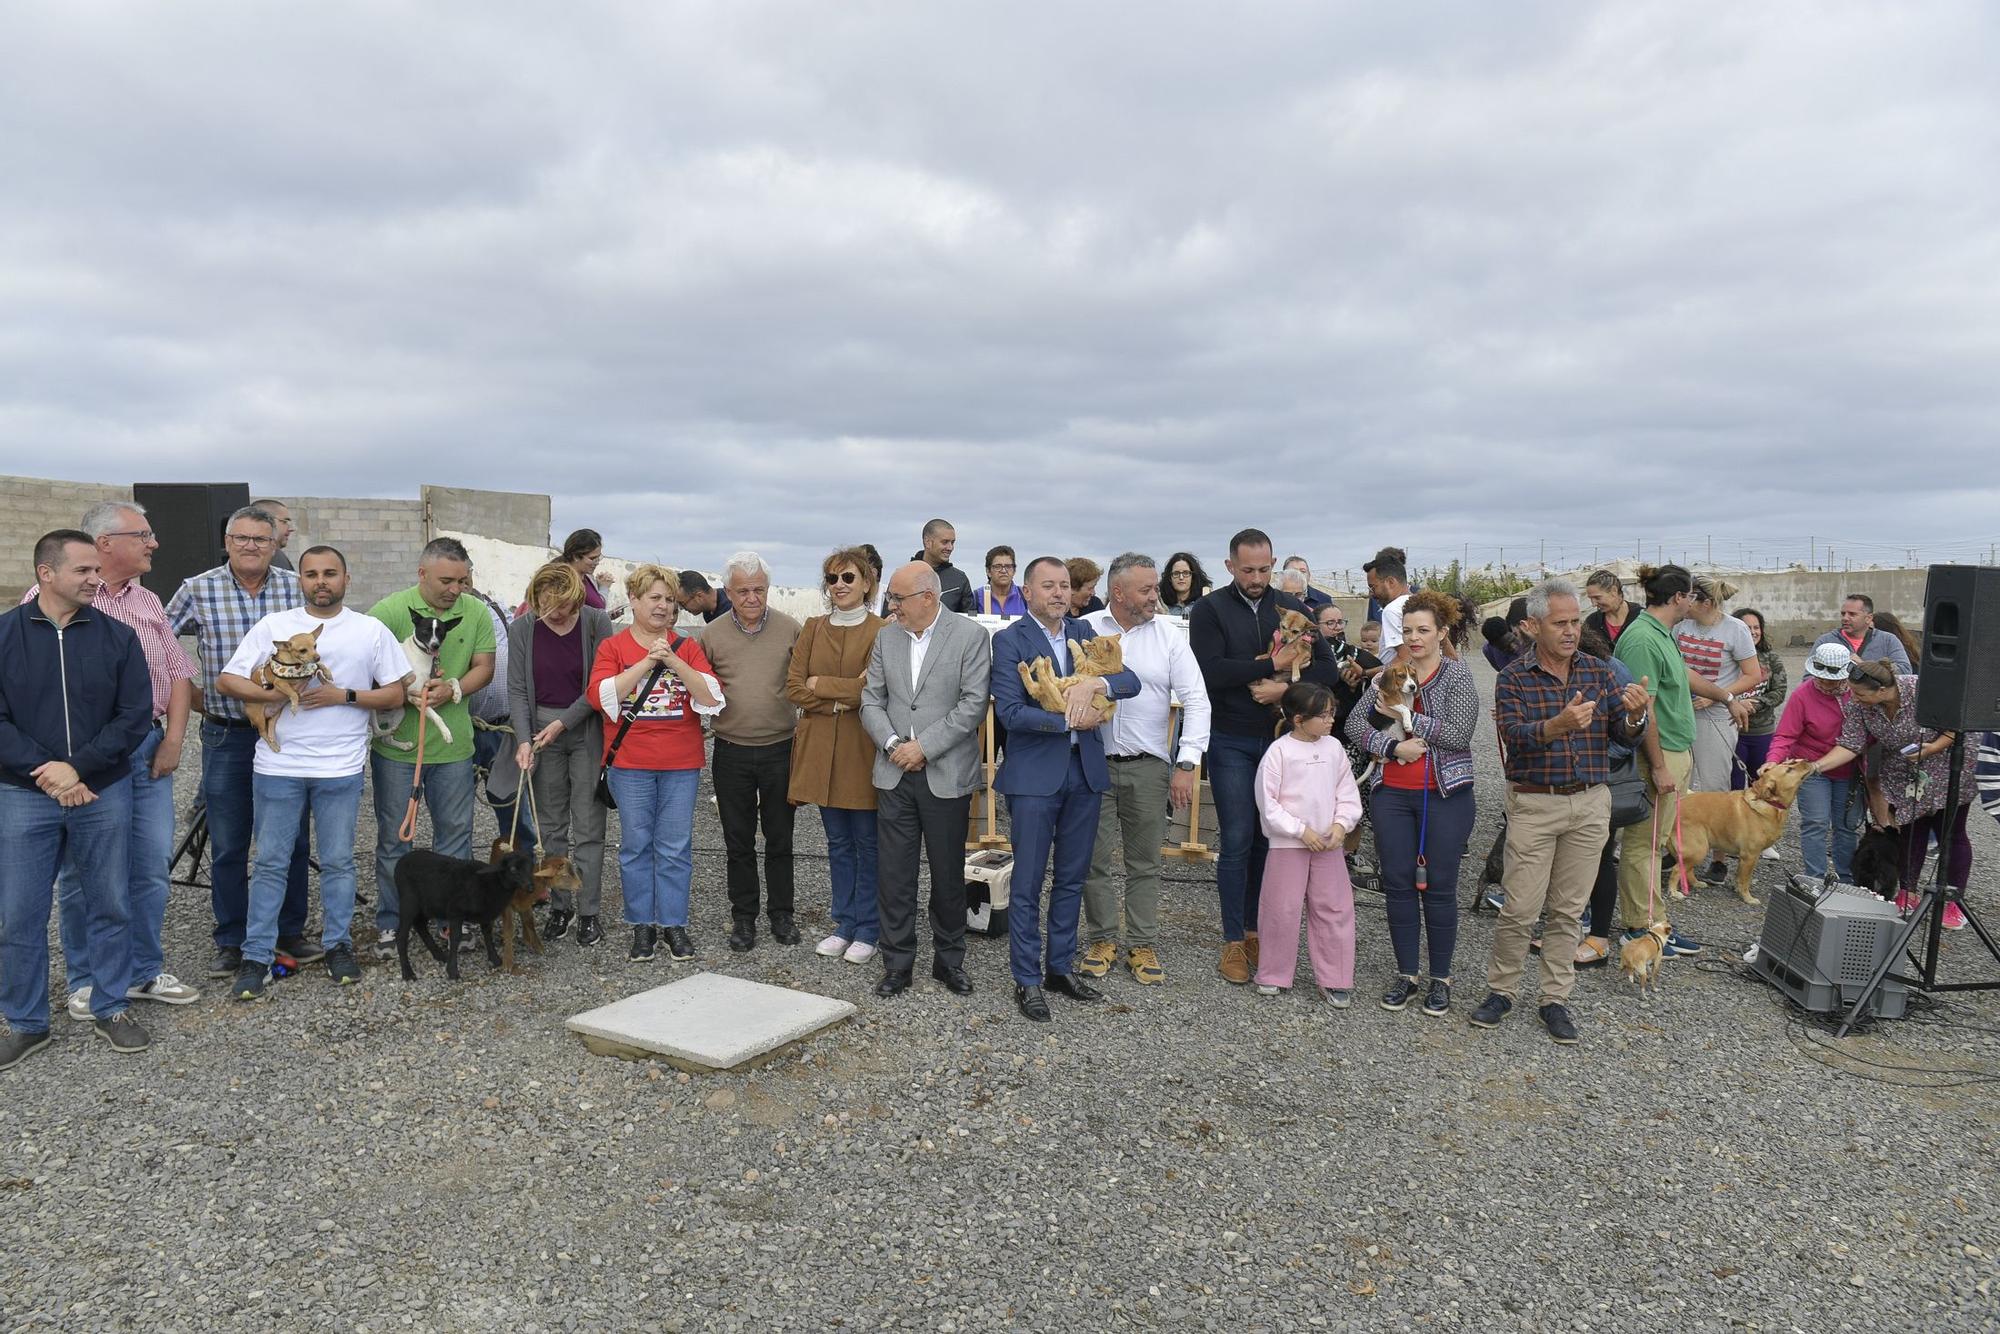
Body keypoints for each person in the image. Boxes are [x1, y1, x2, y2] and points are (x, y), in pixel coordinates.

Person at [21, 503, 198, 1019]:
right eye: (143, 535)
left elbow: (178, 672)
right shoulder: (51, 601)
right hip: (87, 759)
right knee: (85, 872)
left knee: (149, 868)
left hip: (146, 748)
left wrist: (174, 740)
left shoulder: (147, 601)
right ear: (104, 543)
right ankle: (87, 978)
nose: (154, 544)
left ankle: (141, 971)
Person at [216, 546, 413, 998]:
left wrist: (342, 697)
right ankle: (257, 956)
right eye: (311, 574)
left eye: (329, 573)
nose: (320, 581)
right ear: (299, 580)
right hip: (278, 766)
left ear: (346, 578)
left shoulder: (370, 630)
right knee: (269, 863)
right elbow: (228, 680)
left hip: (339, 768)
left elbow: (395, 695)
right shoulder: (274, 627)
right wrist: (273, 696)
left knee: (340, 862)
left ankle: (338, 945)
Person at [1469, 579, 1650, 1044]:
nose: (1571, 631)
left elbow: (1621, 736)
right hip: (1534, 803)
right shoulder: (1513, 677)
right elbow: (1513, 735)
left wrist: (1634, 717)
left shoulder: (1600, 671)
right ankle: (1502, 991)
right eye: (1560, 623)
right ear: (1532, 626)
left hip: (1591, 803)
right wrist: (1557, 725)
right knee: (1520, 908)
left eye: (1574, 622)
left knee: (1569, 911)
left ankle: (1555, 999)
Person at [0, 531, 155, 1069]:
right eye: (84, 571)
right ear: (47, 573)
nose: (96, 579)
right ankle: (25, 1022)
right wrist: (50, 774)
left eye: (96, 570)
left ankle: (111, 1006)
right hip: (25, 793)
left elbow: (135, 715)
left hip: (102, 789)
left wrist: (79, 768)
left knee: (109, 901)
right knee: (19, 912)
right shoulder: (4, 636)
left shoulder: (119, 637)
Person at [1191, 528, 1347, 984]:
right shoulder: (1209, 609)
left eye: (1264, 569)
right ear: (1229, 566)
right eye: (1247, 570)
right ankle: (1233, 941)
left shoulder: (1295, 608)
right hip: (1232, 740)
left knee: (1269, 840)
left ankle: (1259, 930)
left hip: (1284, 744)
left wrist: (1284, 690)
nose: (1257, 578)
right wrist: (1272, 666)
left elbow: (1328, 670)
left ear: (1273, 563)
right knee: (1237, 838)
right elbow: (1211, 671)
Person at [166, 505, 313, 980]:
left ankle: (289, 932)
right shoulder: (197, 589)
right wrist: (193, 698)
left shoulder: (296, 589)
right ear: (227, 542)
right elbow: (159, 649)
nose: (251, 546)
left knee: (290, 838)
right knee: (229, 843)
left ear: (275, 545)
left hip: (288, 735)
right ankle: (232, 939)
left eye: (261, 539)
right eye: (242, 538)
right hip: (226, 734)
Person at [991, 558, 1141, 1021]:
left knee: (1072, 878)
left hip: (1085, 775)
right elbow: (1011, 714)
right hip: (1035, 779)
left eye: (1064, 586)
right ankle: (1027, 978)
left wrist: (1096, 682)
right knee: (1029, 883)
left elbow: (1130, 681)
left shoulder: (1084, 633)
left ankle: (1058, 966)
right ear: (1028, 592)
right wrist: (1070, 718)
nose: (1058, 593)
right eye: (1048, 586)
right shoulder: (1009, 640)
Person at [1077, 554, 1211, 986]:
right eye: (1147, 589)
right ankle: (1101, 938)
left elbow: (1196, 700)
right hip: (1090, 765)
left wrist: (1187, 762)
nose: (1157, 596)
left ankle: (1141, 941)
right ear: (1119, 593)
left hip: (1149, 767)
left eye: (1156, 588)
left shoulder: (1169, 637)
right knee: (1091, 859)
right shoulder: (1086, 630)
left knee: (1145, 861)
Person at [1345, 590, 1480, 1016]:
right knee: (1399, 884)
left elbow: (1458, 734)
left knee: (1439, 887)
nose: (1415, 638)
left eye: (1424, 630)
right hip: (1392, 793)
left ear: (1442, 632)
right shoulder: (1389, 673)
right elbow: (1352, 724)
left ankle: (1441, 978)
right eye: (1407, 631)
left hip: (1446, 794)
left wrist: (1408, 716)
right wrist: (1390, 747)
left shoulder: (1457, 676)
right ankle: (1407, 974)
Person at [860, 561, 991, 998]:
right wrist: (895, 744)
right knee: (894, 876)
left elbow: (972, 704)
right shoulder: (886, 636)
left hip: (945, 776)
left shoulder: (970, 636)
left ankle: (949, 961)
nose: (891, 606)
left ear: (928, 598)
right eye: (891, 598)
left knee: (948, 874)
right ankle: (897, 964)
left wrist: (925, 747)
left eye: (897, 598)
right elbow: (871, 702)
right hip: (894, 773)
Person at [367, 537, 497, 949]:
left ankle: (449, 921)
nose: (455, 589)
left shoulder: (475, 611)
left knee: (455, 837)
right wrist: (398, 692)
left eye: (462, 580)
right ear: (422, 573)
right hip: (397, 749)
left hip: (455, 747)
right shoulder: (389, 611)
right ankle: (392, 919)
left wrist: (453, 688)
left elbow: (485, 667)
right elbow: (362, 664)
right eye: (446, 580)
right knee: (395, 837)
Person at [591, 565, 725, 960]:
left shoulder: (687, 647)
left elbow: (712, 697)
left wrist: (675, 661)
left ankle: (673, 923)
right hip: (630, 763)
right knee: (635, 845)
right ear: (633, 601)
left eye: (669, 599)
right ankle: (641, 925)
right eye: (655, 598)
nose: (664, 606)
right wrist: (647, 663)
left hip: (681, 763)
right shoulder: (613, 649)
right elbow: (600, 697)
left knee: (675, 846)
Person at [1810, 658, 1977, 927]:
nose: (1855, 698)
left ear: (1883, 690)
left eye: (1861, 694)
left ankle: (1952, 901)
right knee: (1910, 829)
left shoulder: (1920, 689)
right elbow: (1851, 744)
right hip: (1906, 770)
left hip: (1948, 764)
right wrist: (1815, 767)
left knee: (1951, 831)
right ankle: (1907, 891)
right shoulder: (1860, 705)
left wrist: (1932, 749)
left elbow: (1957, 725)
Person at [787, 547, 888, 964]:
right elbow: (795, 687)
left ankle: (869, 927)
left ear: (867, 582)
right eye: (832, 579)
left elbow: (877, 690)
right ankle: (843, 922)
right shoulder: (811, 627)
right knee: (836, 842)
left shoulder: (883, 631)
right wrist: (843, 694)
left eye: (848, 577)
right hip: (820, 753)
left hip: (862, 749)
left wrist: (822, 686)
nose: (840, 586)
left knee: (868, 842)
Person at [700, 552, 803, 952]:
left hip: (780, 748)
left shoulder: (791, 629)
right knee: (737, 840)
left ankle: (782, 913)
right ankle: (744, 917)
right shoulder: (711, 635)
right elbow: (699, 688)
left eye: (758, 589)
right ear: (728, 592)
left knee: (781, 837)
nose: (751, 597)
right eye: (743, 591)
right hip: (732, 751)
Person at [509, 562, 615, 942]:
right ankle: (559, 906)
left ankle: (588, 911)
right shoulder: (522, 628)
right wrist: (525, 739)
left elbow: (599, 686)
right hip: (540, 732)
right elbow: (518, 691)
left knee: (589, 827)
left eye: (564, 607)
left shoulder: (595, 622)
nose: (556, 615)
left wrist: (562, 723)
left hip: (584, 727)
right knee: (551, 827)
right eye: (548, 607)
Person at [1612, 564, 1704, 960]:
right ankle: (1643, 926)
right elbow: (1642, 706)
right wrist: (1661, 765)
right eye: (1692, 596)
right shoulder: (1643, 640)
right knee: (1644, 844)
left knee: (1657, 840)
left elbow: (1679, 681)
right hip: (1659, 756)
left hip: (1674, 751)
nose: (1694, 602)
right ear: (1679, 597)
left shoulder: (1662, 634)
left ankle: (1652, 921)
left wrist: (1727, 697)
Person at [1254, 681, 1363, 1003]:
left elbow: (1347, 792)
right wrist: (1301, 831)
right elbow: (1268, 802)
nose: (1331, 721)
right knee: (1281, 909)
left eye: (1332, 714)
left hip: (1328, 843)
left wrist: (1341, 826)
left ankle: (1335, 977)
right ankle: (1273, 972)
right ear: (1298, 718)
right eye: (1324, 715)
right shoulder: (1279, 752)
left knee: (1334, 908)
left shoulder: (1334, 748)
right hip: (1289, 844)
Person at [1673, 576, 1763, 881]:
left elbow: (1753, 675)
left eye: (1690, 597)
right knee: (1680, 782)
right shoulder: (1680, 626)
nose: (1684, 602)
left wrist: (1717, 696)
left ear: (1707, 603)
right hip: (1680, 710)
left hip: (1716, 716)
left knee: (1713, 786)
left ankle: (1719, 858)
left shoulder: (1735, 630)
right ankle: (1678, 850)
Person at [1766, 643, 1860, 883]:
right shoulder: (1802, 694)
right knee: (1815, 822)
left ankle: (1846, 879)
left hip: (1850, 770)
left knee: (1846, 826)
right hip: (1810, 768)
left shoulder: (1859, 693)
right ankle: (1815, 878)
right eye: (1820, 677)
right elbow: (1785, 735)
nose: (1824, 682)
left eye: (1831, 678)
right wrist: (1773, 761)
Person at [465, 582, 537, 865]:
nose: (461, 582)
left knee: (514, 806)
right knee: (458, 813)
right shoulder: (443, 616)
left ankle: (525, 874)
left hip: (504, 727)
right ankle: (466, 879)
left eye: (465, 575)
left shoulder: (495, 606)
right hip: (463, 728)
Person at [1733, 608, 1787, 797]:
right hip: (1733, 733)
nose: (1753, 632)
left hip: (1762, 733)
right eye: (1747, 628)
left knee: (1763, 786)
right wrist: (1737, 703)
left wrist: (1755, 703)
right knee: (1735, 787)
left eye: (1757, 627)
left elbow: (1779, 692)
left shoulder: (1771, 659)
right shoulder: (1728, 659)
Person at [1314, 602, 1380, 740]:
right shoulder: (1310, 655)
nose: (1337, 627)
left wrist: (1354, 685)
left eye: (1340, 622)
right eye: (1330, 623)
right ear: (1315, 626)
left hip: (1352, 729)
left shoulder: (1353, 653)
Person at [1814, 593, 1913, 672]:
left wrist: (1865, 666)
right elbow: (1809, 676)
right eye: (1843, 614)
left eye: (1852, 614)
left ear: (1868, 618)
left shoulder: (1888, 640)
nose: (1845, 618)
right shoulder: (1826, 641)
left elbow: (1905, 670)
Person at [914, 519, 974, 614]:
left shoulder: (960, 579)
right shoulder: (904, 576)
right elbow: (888, 617)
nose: (950, 548)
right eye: (945, 542)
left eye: (952, 542)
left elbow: (971, 619)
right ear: (927, 542)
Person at [1368, 554, 1413, 660]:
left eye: (1373, 587)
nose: (1371, 594)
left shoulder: (1392, 610)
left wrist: (1367, 673)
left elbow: (1405, 658)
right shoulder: (1426, 604)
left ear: (1390, 582)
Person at [1582, 570, 1641, 647]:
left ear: (1614, 591)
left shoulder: (1640, 617)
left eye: (1597, 597)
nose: (1593, 604)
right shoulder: (1592, 622)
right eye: (1591, 599)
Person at [558, 528, 608, 610]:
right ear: (576, 556)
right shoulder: (563, 583)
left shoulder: (588, 579)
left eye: (598, 558)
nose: (597, 562)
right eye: (592, 558)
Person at [972, 546, 1027, 617]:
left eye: (1008, 566)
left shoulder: (1025, 597)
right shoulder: (975, 598)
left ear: (1014, 571)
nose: (1003, 571)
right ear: (988, 571)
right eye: (998, 567)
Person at [1160, 552, 1212, 618]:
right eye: (1176, 573)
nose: (1181, 577)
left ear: (1193, 577)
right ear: (1170, 578)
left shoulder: (1204, 604)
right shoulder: (1162, 605)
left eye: (1186, 573)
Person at [251, 499, 297, 572]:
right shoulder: (269, 557)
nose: (291, 529)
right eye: (284, 522)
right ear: (266, 520)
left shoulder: (275, 555)